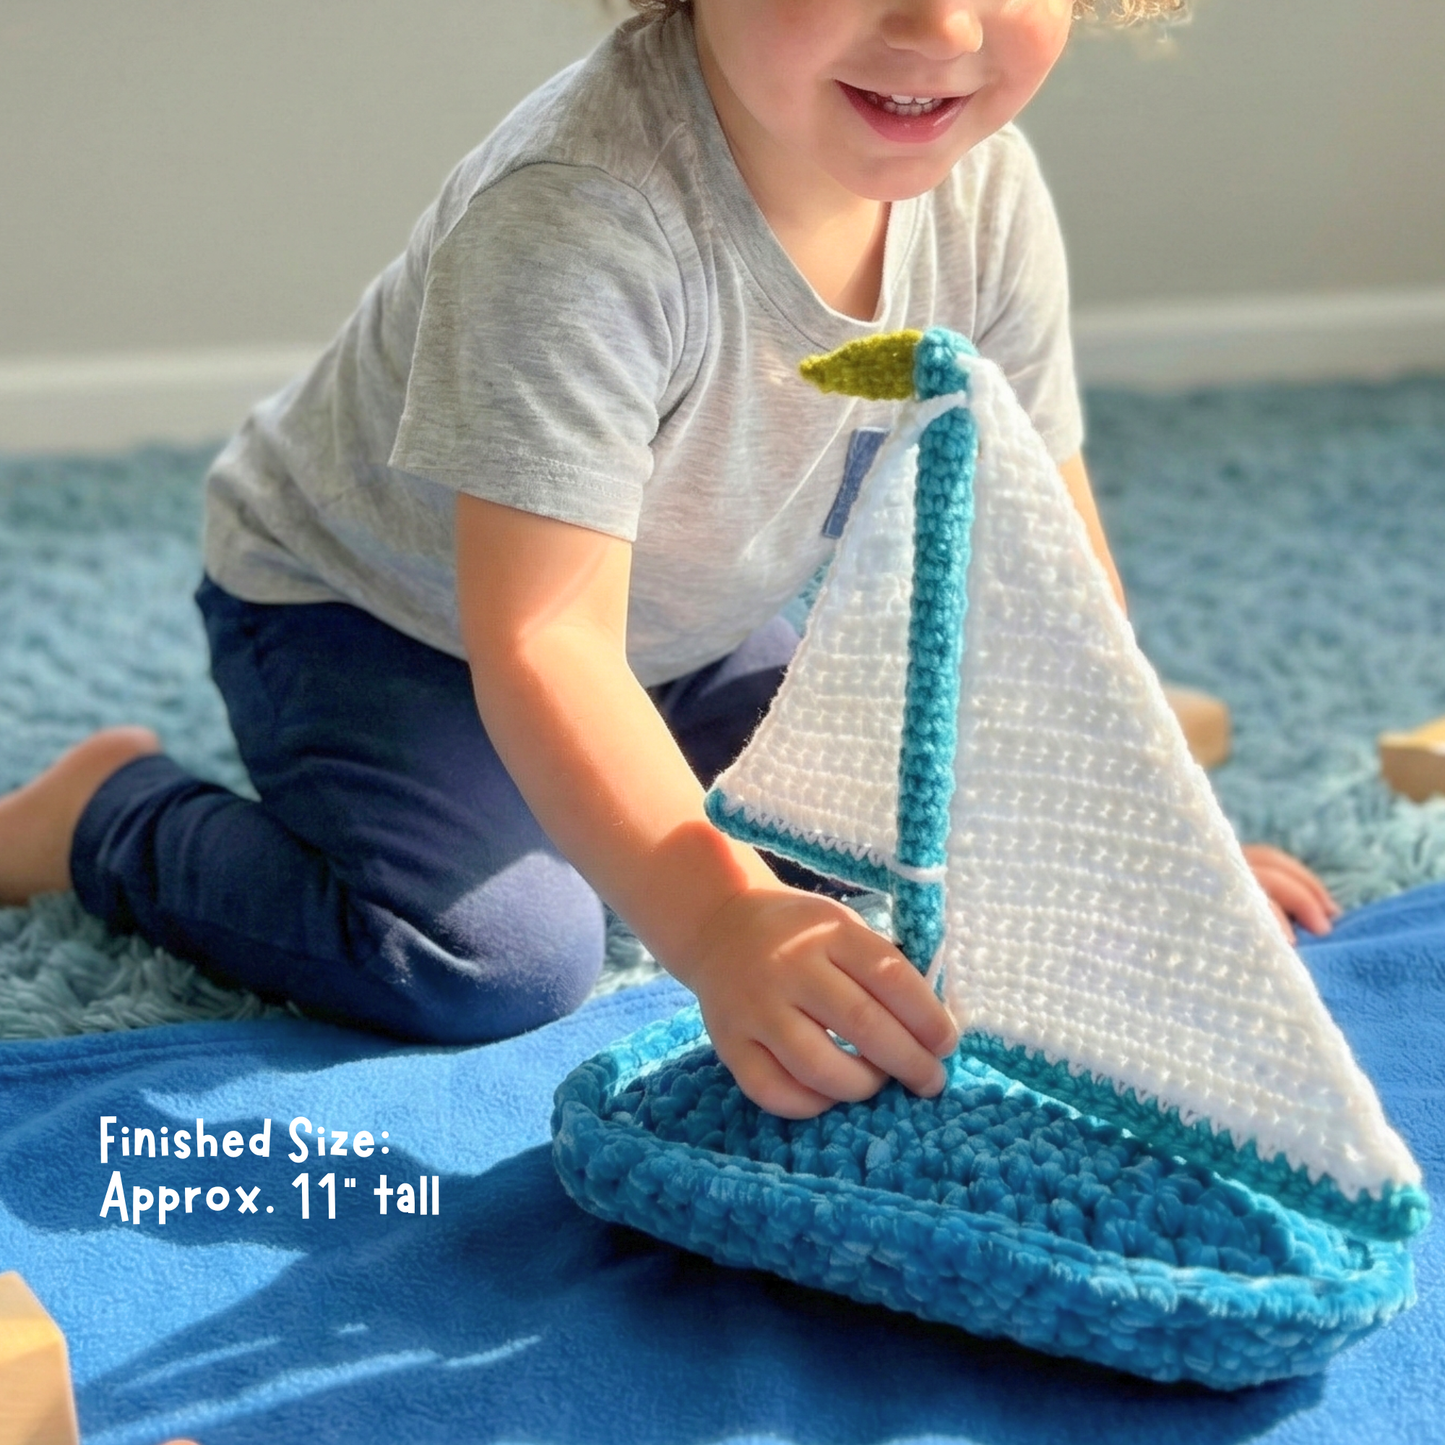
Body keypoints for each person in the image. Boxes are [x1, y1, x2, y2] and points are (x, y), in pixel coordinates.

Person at [0, 0, 1337, 1117]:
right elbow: (545, 640)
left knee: (894, 855)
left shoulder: (986, 194)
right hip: (372, 615)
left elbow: (1033, 557)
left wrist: (1143, 825)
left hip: (671, 623)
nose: (939, 24)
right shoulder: (583, 213)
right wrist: (713, 925)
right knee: (498, 964)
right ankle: (105, 816)